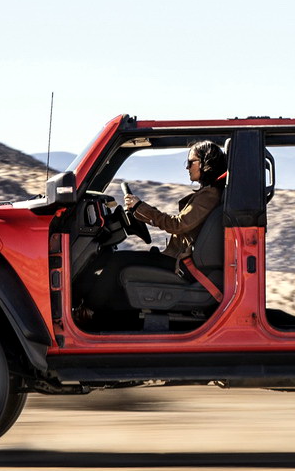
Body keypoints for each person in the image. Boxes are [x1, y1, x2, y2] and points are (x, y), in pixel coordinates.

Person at [81, 141, 228, 330]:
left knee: (118, 261)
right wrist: (139, 210)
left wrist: (140, 208)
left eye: (191, 162)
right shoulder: (209, 193)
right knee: (118, 263)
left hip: (183, 266)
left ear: (206, 163)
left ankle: (86, 312)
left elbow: (177, 224)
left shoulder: (209, 195)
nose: (187, 167)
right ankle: (107, 319)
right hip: (181, 261)